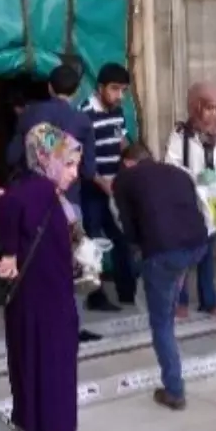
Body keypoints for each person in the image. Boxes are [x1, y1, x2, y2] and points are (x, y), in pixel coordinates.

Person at [0, 123, 103, 431]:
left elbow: (6, 258)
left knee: (31, 364)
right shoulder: (48, 198)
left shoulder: (19, 195)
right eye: (68, 164)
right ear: (45, 158)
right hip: (53, 303)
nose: (74, 172)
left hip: (26, 304)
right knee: (57, 375)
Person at [7, 64, 103, 342]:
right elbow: (87, 170)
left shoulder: (30, 115)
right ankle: (71, 325)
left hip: (32, 202)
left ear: (49, 87)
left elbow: (13, 156)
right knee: (75, 263)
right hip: (69, 204)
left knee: (35, 262)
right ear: (76, 92)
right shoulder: (82, 121)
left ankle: (38, 326)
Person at [114, 142, 210, 410]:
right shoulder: (178, 172)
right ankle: (173, 292)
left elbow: (129, 229)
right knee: (173, 276)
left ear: (128, 162)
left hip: (164, 252)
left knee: (162, 322)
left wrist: (139, 251)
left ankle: (174, 390)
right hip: (197, 246)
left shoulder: (124, 179)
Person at [164, 81, 216, 319]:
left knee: (208, 255)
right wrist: (197, 179)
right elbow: (170, 165)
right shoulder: (181, 134)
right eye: (209, 107)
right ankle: (180, 301)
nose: (213, 113)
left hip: (214, 202)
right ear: (196, 107)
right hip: (189, 201)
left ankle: (209, 302)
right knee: (185, 255)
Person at [79, 63, 138, 312]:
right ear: (100, 87)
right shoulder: (84, 113)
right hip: (93, 190)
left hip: (115, 189)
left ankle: (128, 292)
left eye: (122, 90)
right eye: (114, 89)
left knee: (123, 239)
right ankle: (95, 296)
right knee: (92, 244)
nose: (118, 95)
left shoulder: (118, 110)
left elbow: (122, 140)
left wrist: (135, 161)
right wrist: (101, 182)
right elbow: (80, 155)